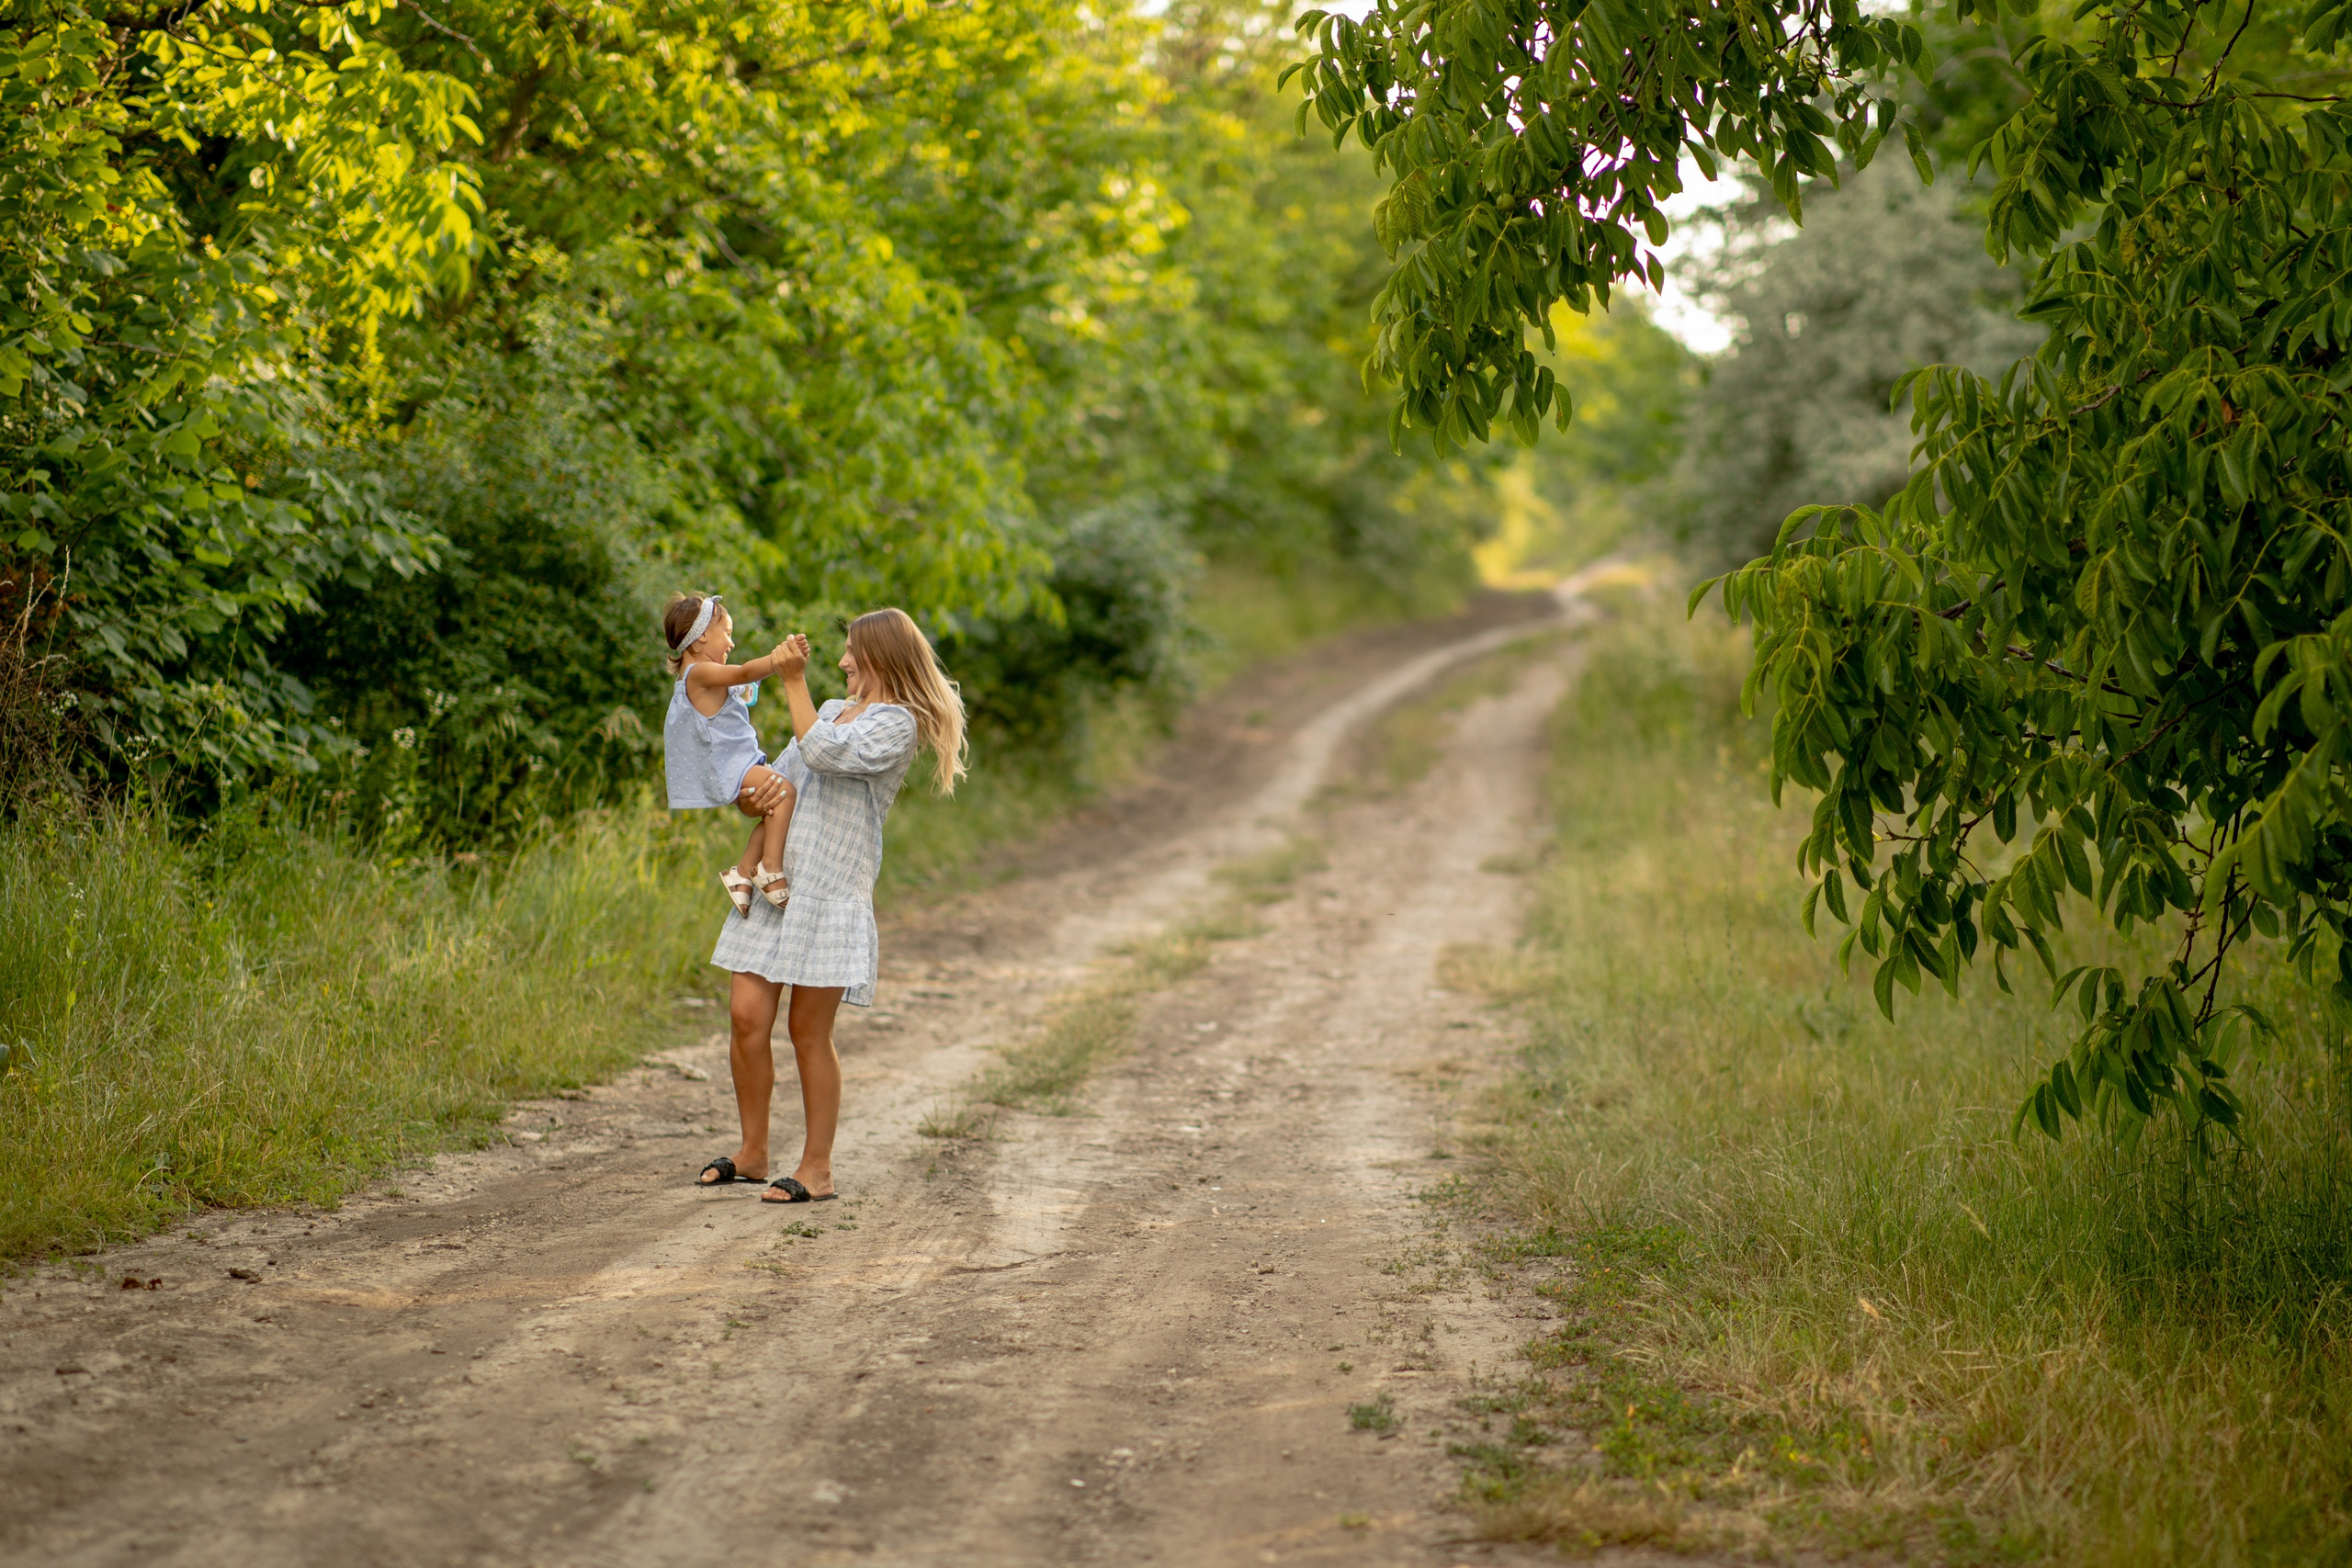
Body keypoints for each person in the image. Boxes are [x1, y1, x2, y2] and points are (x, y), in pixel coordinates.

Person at [695, 607, 968, 1204]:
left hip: (831, 891)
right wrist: (752, 793)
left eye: (851, 652)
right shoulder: (826, 712)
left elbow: (823, 754)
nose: (842, 662)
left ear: (880, 658)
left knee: (807, 1031)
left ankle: (817, 1168)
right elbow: (784, 778)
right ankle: (753, 1151)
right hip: (778, 885)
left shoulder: (897, 725)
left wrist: (791, 677)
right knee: (746, 1016)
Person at [662, 592, 799, 915]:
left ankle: (741, 873)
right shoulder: (698, 673)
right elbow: (743, 674)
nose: (731, 643)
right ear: (700, 639)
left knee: (774, 810)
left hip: (738, 763)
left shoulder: (700, 676)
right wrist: (779, 659)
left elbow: (741, 686)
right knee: (786, 792)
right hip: (732, 765)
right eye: (728, 633)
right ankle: (770, 868)